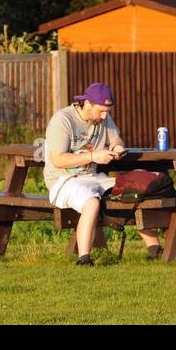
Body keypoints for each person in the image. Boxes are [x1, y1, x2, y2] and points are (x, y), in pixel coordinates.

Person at [44, 82, 161, 264]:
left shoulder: (104, 117)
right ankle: (84, 259)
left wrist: (117, 147)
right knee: (91, 203)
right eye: (101, 111)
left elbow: (115, 139)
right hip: (63, 180)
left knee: (133, 191)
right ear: (87, 104)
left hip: (93, 178)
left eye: (107, 111)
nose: (105, 116)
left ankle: (155, 251)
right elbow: (58, 160)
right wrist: (93, 156)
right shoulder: (63, 120)